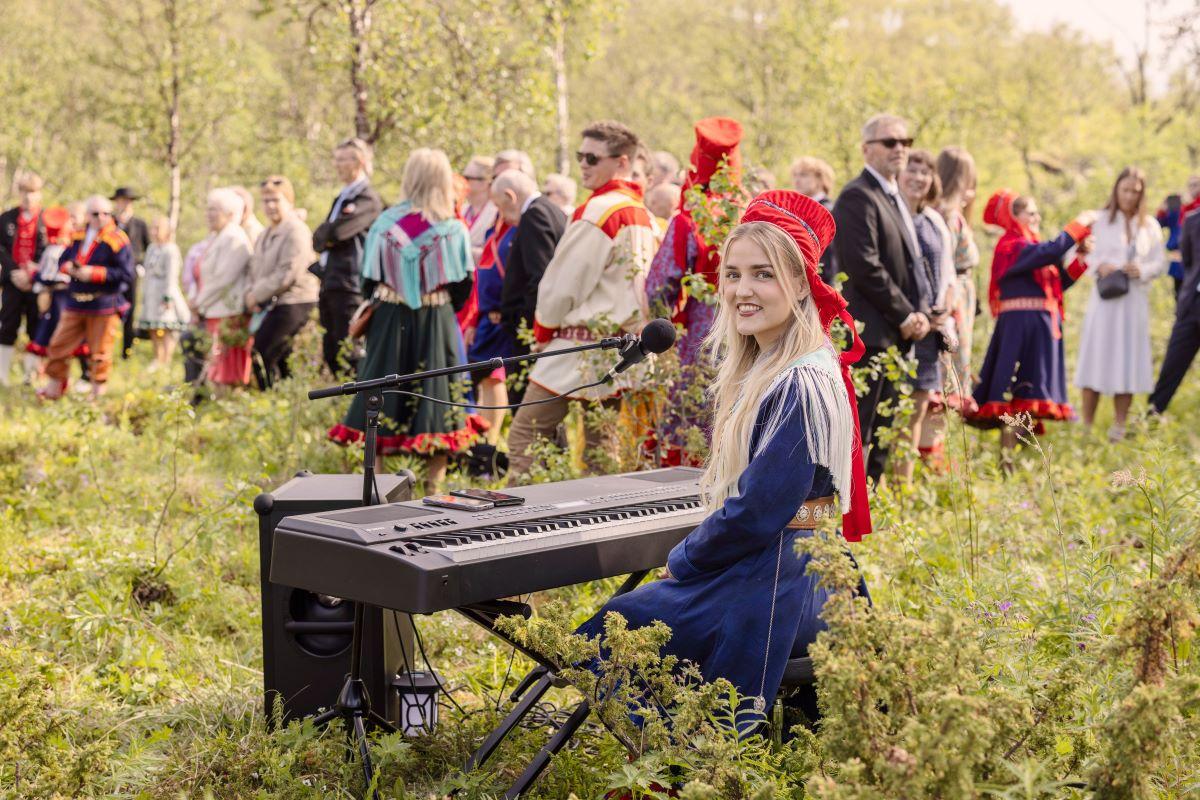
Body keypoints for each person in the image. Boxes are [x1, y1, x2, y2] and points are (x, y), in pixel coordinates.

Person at [575, 190, 872, 721]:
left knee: (617, 625)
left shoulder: (799, 382)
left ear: (802, 284)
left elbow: (760, 511)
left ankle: (672, 766)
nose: (741, 290)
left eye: (763, 274)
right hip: (799, 565)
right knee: (629, 617)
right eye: (732, 275)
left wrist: (684, 559)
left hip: (783, 580)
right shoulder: (799, 363)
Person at [506, 120, 657, 481]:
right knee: (600, 452)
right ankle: (596, 533)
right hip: (622, 348)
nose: (584, 165)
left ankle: (514, 523)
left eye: (592, 157)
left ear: (622, 162)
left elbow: (563, 285)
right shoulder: (645, 215)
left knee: (525, 436)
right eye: (580, 156)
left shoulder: (601, 210)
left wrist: (543, 331)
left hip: (578, 344)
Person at [328, 148, 482, 494]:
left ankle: (377, 488)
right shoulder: (453, 228)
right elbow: (464, 285)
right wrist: (436, 303)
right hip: (436, 320)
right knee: (436, 395)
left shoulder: (384, 225)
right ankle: (434, 489)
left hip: (389, 318)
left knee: (380, 391)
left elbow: (367, 280)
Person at [833, 113, 927, 483]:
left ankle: (871, 513)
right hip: (871, 336)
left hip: (896, 334)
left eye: (906, 142)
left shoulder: (892, 196)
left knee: (884, 433)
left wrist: (917, 314)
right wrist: (905, 314)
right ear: (866, 149)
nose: (900, 149)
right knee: (862, 432)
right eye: (891, 142)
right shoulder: (858, 195)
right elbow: (864, 264)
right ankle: (847, 517)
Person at [645, 116, 744, 465]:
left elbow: (659, 285)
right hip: (753, 331)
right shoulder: (749, 213)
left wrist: (664, 335)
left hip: (702, 336)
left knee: (692, 420)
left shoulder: (689, 220)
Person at [968, 191, 1095, 458]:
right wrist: (1079, 223)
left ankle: (1015, 462)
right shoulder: (1011, 246)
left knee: (1030, 398)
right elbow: (1052, 249)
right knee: (1015, 396)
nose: (1037, 217)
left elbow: (1056, 285)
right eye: (1031, 212)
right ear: (1013, 216)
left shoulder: (1031, 250)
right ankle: (1006, 461)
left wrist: (1080, 258)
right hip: (1020, 332)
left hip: (1039, 333)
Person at [1074, 168, 1165, 442]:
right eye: (1125, 190)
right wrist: (1099, 266)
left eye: (1135, 191)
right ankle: (1087, 426)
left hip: (1133, 301)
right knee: (1096, 356)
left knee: (1128, 359)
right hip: (1105, 302)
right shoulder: (1099, 221)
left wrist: (1142, 270)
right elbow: (1079, 253)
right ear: (1116, 190)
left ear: (1141, 193)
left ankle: (1119, 426)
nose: (1129, 196)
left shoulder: (1149, 225)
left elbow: (1160, 262)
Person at [896, 150, 955, 481]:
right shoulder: (889, 214)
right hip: (900, 326)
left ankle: (903, 492)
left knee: (917, 412)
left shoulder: (934, 220)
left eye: (925, 172)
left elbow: (947, 273)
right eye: (912, 170)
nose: (918, 177)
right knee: (891, 414)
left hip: (931, 330)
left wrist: (943, 307)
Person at [39, 195, 133, 400]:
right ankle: (54, 388)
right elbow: (63, 260)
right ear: (88, 215)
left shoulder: (117, 239)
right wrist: (71, 268)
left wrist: (94, 273)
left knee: (100, 352)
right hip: (75, 302)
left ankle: (96, 396)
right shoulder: (78, 235)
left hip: (104, 304)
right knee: (58, 345)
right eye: (96, 213)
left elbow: (126, 274)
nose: (101, 217)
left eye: (106, 213)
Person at [313, 137, 384, 376]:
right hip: (331, 281)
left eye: (343, 159)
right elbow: (320, 238)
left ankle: (359, 406)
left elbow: (338, 231)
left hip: (350, 284)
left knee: (349, 349)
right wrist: (327, 235)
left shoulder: (367, 199)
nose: (337, 164)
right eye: (336, 159)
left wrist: (329, 234)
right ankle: (339, 406)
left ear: (360, 161)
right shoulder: (343, 197)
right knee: (332, 349)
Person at [246, 175, 320, 389]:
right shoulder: (266, 233)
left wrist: (256, 294)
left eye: (276, 200)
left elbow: (288, 273)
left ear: (289, 201)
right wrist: (252, 292)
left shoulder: (296, 230)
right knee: (281, 356)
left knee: (262, 350)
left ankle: (270, 398)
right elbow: (257, 268)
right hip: (274, 301)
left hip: (296, 300)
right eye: (266, 201)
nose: (270, 206)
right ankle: (283, 400)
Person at [193, 188, 254, 390]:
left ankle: (230, 407)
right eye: (208, 209)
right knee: (216, 363)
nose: (209, 215)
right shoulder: (218, 237)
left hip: (229, 312)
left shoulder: (234, 238)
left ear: (230, 213)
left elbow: (223, 279)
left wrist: (199, 302)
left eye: (215, 210)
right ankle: (218, 404)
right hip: (216, 309)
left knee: (228, 366)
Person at [936, 146, 981, 409]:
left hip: (962, 293)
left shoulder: (949, 213)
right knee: (952, 358)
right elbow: (947, 264)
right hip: (955, 295)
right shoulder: (950, 216)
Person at [1149, 201, 1200, 415]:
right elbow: (1187, 264)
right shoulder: (1192, 220)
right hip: (1192, 305)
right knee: (1171, 367)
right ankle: (1149, 420)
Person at [0, 171, 47, 385]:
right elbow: (2, 249)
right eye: (25, 192)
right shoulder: (7, 218)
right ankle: (2, 374)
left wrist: (32, 274)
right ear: (19, 193)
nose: (28, 197)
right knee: (7, 324)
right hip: (12, 281)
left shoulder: (47, 220)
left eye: (33, 192)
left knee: (35, 326)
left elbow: (49, 250)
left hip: (37, 283)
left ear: (39, 194)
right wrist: (13, 272)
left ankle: (30, 375)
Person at [135, 216, 190, 369]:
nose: (153, 232)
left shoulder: (171, 250)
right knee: (154, 327)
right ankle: (157, 357)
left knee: (167, 328)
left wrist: (168, 297)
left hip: (165, 291)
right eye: (152, 228)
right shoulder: (152, 248)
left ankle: (166, 359)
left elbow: (171, 275)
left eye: (157, 228)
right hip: (151, 291)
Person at [26, 205, 75, 373]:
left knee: (52, 333)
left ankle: (51, 371)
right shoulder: (58, 250)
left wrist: (34, 275)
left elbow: (50, 277)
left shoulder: (55, 251)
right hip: (55, 296)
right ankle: (43, 371)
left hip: (58, 297)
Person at [110, 187, 150, 360]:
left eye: (127, 200)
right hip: (111, 273)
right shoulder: (110, 222)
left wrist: (141, 265)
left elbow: (148, 248)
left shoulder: (139, 224)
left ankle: (127, 351)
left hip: (132, 274)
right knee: (109, 310)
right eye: (121, 200)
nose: (124, 204)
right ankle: (106, 350)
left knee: (130, 311)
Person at [791, 156, 838, 284]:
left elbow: (828, 258)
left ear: (819, 179)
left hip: (822, 282)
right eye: (795, 175)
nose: (797, 180)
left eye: (803, 175)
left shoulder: (826, 210)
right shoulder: (803, 209)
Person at [461, 156, 498, 264]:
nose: (462, 181)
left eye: (467, 178)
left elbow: (492, 255)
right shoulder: (462, 210)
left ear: (486, 182)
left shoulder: (497, 214)